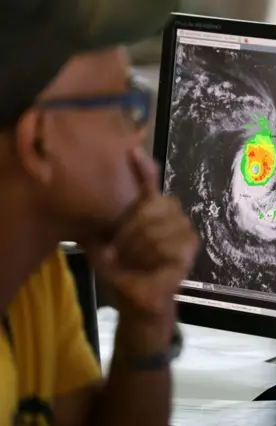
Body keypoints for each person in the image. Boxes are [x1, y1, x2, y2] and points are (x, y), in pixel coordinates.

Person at [0, 0, 200, 425]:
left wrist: (145, 326)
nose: (138, 134)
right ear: (38, 142)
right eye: (124, 104)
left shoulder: (34, 281)